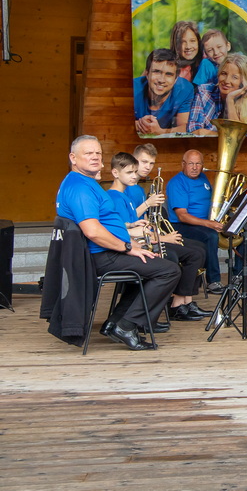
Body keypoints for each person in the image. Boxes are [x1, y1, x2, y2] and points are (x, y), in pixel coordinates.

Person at [55, 136, 180, 350]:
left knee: (153, 264)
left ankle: (115, 323)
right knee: (169, 270)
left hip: (106, 251)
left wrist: (130, 240)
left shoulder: (84, 182)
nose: (95, 157)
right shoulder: (79, 188)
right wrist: (128, 247)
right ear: (73, 158)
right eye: (88, 153)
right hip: (100, 255)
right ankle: (127, 325)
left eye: (98, 153)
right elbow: (92, 231)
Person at [109, 152, 209, 322]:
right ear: (115, 173)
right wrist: (162, 238)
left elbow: (134, 224)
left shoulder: (128, 194)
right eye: (130, 172)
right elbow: (121, 231)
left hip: (142, 242)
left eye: (135, 172)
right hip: (133, 248)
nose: (136, 175)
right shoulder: (115, 196)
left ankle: (180, 303)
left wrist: (152, 231)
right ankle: (155, 314)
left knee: (197, 251)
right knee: (173, 260)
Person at [166, 149, 225, 293]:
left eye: (198, 163)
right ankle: (214, 281)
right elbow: (182, 216)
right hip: (182, 226)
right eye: (191, 163)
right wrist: (210, 224)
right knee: (210, 235)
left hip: (205, 223)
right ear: (183, 164)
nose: (194, 167)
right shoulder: (177, 183)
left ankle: (238, 275)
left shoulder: (203, 178)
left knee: (242, 231)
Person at [187, 53, 247, 134]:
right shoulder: (204, 91)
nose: (226, 81)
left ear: (243, 81)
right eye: (224, 74)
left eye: (235, 77)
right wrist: (224, 137)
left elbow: (238, 135)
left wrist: (230, 100)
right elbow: (193, 131)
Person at [133, 49, 194, 136]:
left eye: (168, 74)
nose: (161, 80)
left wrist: (160, 131)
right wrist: (139, 125)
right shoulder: (133, 88)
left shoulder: (185, 89)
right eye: (156, 72)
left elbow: (184, 127)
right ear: (147, 74)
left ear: (176, 78)